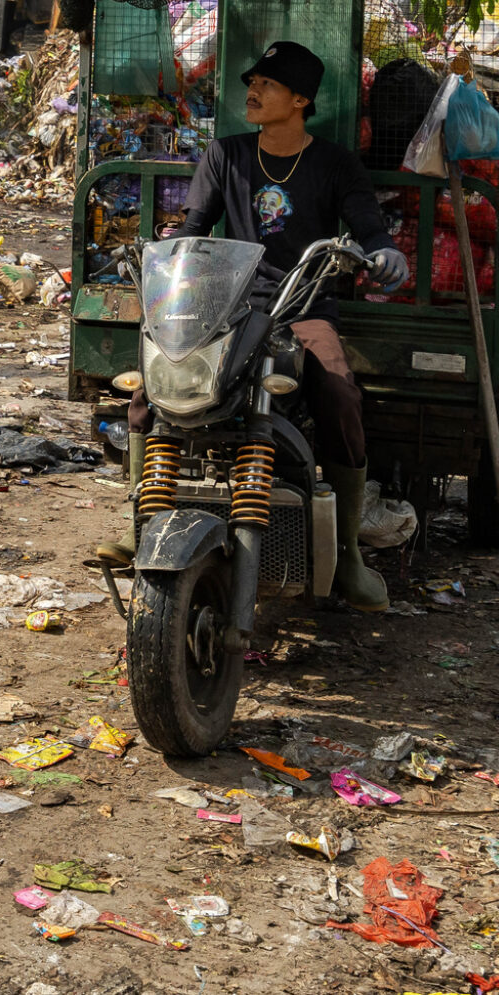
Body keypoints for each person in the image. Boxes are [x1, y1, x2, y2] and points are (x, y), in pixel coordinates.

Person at [168, 40, 410, 610]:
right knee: (156, 384)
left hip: (304, 304)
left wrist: (384, 252)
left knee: (338, 391)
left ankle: (347, 553)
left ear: (301, 99)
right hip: (230, 304)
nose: (251, 92)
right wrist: (168, 251)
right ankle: (142, 524)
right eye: (251, 81)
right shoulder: (225, 154)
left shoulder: (334, 163)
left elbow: (369, 228)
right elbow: (194, 223)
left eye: (268, 85)